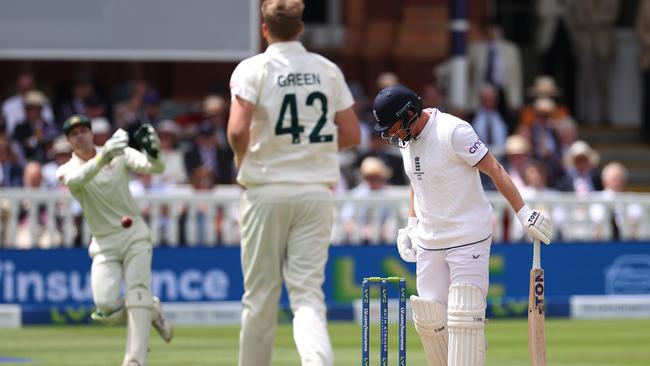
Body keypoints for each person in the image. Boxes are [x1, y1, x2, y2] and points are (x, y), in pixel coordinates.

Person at [372, 84, 551, 366]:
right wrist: (410, 224)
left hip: (469, 236)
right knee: (430, 320)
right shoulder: (408, 141)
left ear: (409, 114)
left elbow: (495, 169)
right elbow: (416, 181)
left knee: (464, 318)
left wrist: (523, 213)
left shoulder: (453, 131)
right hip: (429, 240)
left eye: (393, 126)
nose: (392, 133)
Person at [226, 0, 360, 364]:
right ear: (301, 27)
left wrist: (244, 160)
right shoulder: (326, 69)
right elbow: (351, 134)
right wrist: (311, 146)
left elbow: (238, 130)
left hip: (266, 189)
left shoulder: (253, 68)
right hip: (315, 191)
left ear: (264, 29)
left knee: (260, 296)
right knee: (307, 295)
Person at [56, 115, 172, 366]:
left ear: (90, 133)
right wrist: (103, 157)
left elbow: (156, 168)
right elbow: (78, 181)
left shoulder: (117, 151)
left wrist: (155, 152)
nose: (80, 136)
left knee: (137, 293)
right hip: (104, 244)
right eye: (74, 133)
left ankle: (135, 361)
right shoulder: (66, 170)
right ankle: (151, 310)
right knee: (106, 306)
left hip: (134, 235)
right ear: (68, 140)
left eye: (84, 130)